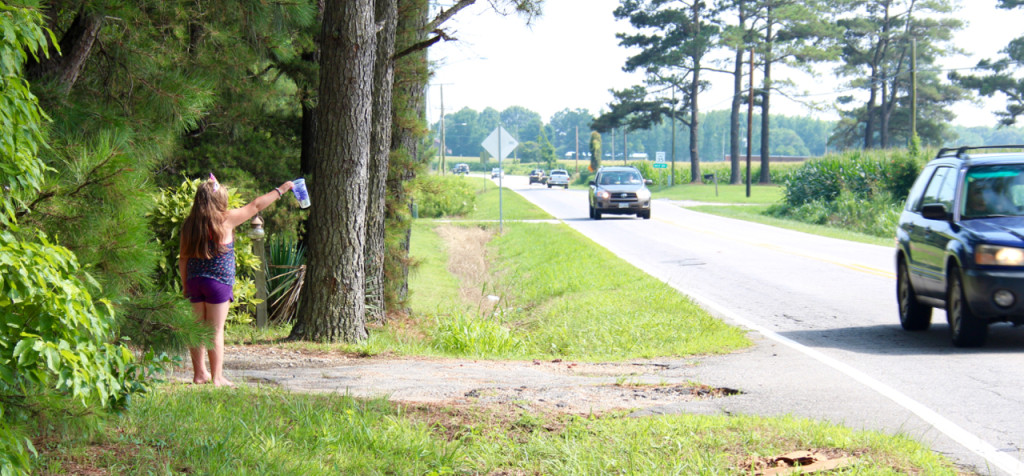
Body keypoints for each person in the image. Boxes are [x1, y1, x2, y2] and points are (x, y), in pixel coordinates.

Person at [178, 174, 294, 386]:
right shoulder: (226, 219)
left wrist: (186, 285)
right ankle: (217, 377)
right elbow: (256, 204)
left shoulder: (189, 225)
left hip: (195, 281)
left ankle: (199, 374)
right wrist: (282, 189)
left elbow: (183, 258)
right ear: (218, 201)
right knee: (215, 330)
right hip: (218, 283)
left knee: (196, 329)